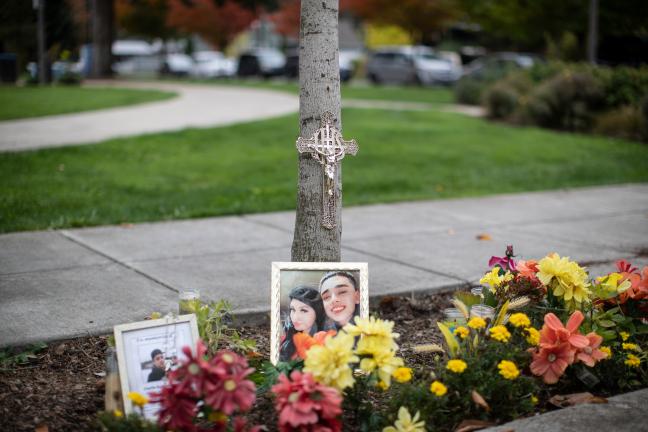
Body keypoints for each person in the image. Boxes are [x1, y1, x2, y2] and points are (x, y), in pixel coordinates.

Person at [279, 286, 326, 362]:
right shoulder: (286, 340)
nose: (295, 317)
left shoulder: (326, 340)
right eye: (293, 309)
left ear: (318, 312)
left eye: (304, 310)